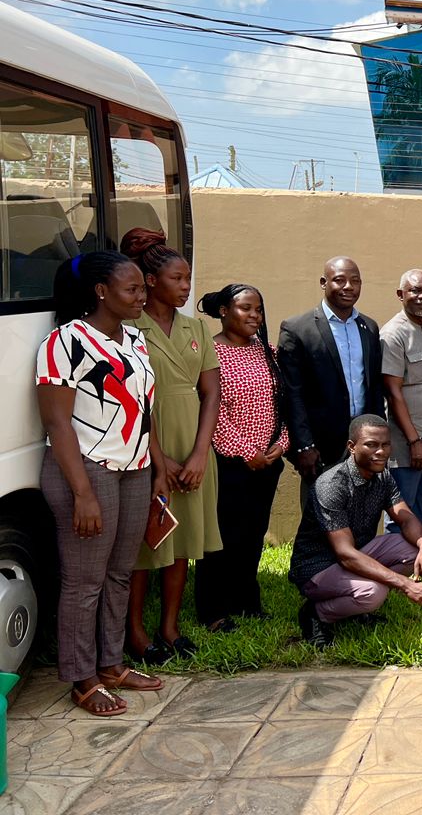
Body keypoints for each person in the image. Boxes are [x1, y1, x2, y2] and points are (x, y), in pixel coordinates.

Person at [37, 253, 166, 716]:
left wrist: (157, 469)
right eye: (132, 289)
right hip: (87, 471)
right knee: (84, 581)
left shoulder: (135, 338)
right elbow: (58, 424)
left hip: (134, 470)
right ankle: (82, 679)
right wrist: (83, 493)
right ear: (101, 292)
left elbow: (145, 408)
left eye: (142, 288)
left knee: (118, 574)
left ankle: (111, 664)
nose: (142, 296)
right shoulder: (65, 341)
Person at [120, 229, 220, 663]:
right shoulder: (128, 328)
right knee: (145, 542)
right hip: (146, 440)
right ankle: (136, 632)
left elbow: (211, 393)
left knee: (181, 540)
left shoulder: (197, 327)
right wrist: (159, 459)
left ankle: (170, 627)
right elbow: (133, 399)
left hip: (193, 440)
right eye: (177, 279)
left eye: (188, 279)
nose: (186, 287)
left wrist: (199, 454)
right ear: (151, 281)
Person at [290, 415, 422, 648]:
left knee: (412, 550)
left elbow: (406, 518)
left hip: (355, 555)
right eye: (371, 444)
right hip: (318, 568)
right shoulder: (332, 484)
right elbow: (345, 554)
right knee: (373, 593)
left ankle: (353, 602)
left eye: (385, 445)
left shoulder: (382, 476)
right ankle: (315, 613)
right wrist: (405, 584)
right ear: (352, 447)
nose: (380, 452)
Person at [193, 284, 290, 632]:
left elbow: (282, 402)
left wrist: (282, 443)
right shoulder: (211, 353)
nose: (254, 316)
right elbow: (212, 410)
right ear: (224, 311)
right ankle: (213, 610)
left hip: (268, 462)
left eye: (258, 309)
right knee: (222, 535)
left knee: (253, 534)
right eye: (246, 308)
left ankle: (246, 601)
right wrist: (247, 452)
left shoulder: (267, 352)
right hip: (229, 462)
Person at [278, 256, 385, 496]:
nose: (348, 287)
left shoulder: (369, 327)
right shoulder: (297, 329)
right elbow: (292, 394)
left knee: (364, 512)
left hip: (363, 442)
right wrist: (304, 445)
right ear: (323, 283)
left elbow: (375, 386)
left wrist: (379, 435)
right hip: (320, 448)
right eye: (339, 280)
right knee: (320, 515)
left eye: (355, 281)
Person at [380, 269, 422, 531]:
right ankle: (396, 558)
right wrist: (414, 441)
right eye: (416, 290)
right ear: (400, 294)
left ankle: (415, 557)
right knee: (400, 513)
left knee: (420, 507)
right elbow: (393, 392)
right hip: (405, 444)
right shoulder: (392, 334)